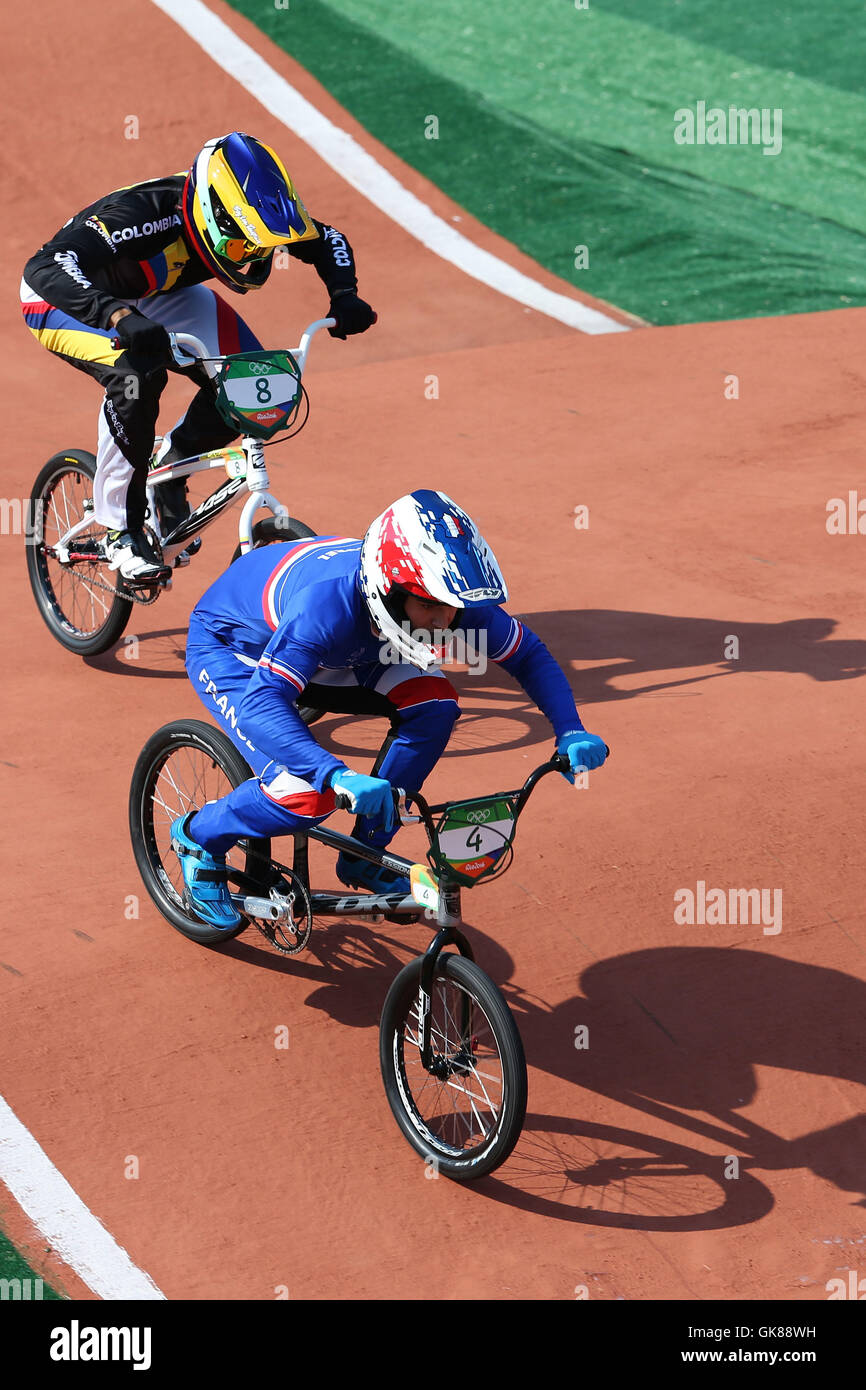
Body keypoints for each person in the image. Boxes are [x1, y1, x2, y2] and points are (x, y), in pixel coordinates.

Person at [171, 489, 609, 928]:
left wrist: (570, 729)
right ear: (388, 590)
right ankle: (198, 837)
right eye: (429, 607)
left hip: (347, 652)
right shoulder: (327, 608)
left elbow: (527, 654)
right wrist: (336, 775)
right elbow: (262, 705)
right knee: (308, 792)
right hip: (234, 649)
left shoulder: (444, 598)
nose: (443, 622)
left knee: (436, 704)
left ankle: (366, 853)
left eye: (450, 608)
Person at [20, 131, 376, 583]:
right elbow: (44, 267)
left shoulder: (251, 213)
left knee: (252, 381)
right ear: (212, 216)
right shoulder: (142, 218)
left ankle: (169, 466)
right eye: (244, 245)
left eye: (262, 247)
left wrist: (344, 294)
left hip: (156, 292)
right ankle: (119, 529)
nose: (252, 255)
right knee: (137, 377)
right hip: (65, 298)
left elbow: (327, 237)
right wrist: (116, 315)